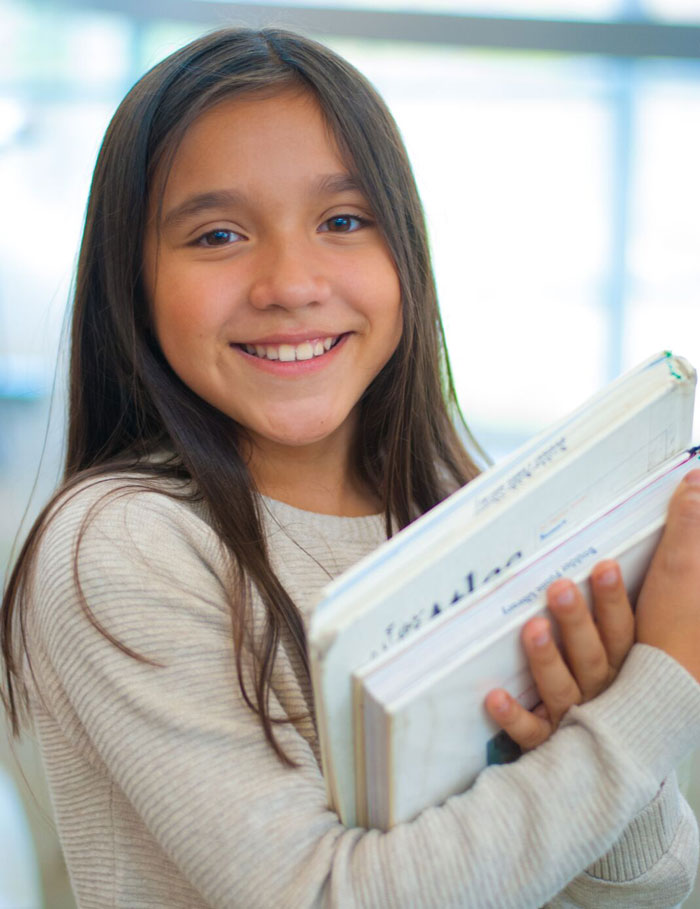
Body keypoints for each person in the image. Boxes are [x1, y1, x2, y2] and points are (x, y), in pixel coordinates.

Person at [2, 26, 700, 909]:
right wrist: (664, 684)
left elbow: (649, 892)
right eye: (217, 235)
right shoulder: (122, 542)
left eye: (342, 221)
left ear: (403, 248)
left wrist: (602, 716)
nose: (290, 282)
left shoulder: (462, 512)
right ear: (131, 282)